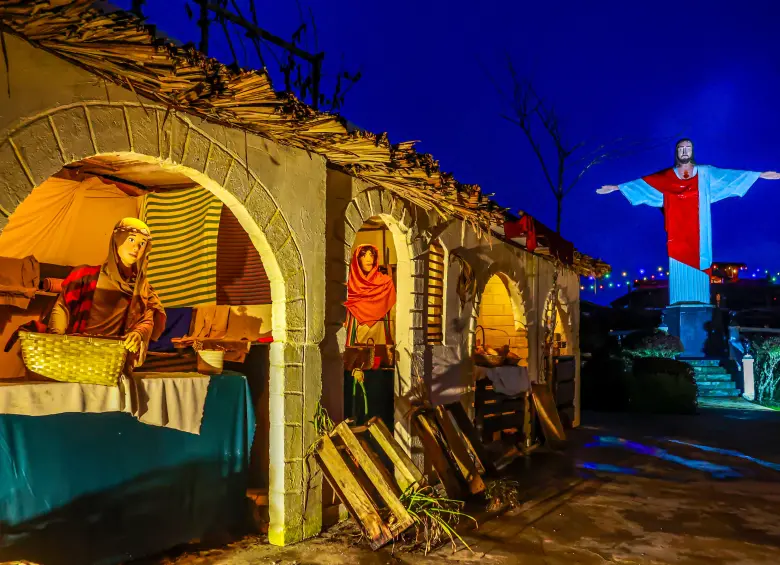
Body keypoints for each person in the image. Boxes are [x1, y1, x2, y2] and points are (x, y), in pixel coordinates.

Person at [597, 139, 780, 304]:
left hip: (700, 234)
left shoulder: (706, 174)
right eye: (680, 148)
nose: (684, 151)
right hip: (678, 235)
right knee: (679, 271)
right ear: (676, 152)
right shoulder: (668, 176)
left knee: (700, 269)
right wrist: (617, 188)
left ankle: (700, 303)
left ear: (692, 151)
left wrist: (759, 175)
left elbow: (729, 177)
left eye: (688, 148)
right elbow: (645, 184)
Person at [48, 217, 166, 367]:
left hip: (113, 360)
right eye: (131, 240)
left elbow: (147, 320)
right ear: (117, 239)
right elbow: (63, 306)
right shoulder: (85, 276)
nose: (136, 248)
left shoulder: (142, 288)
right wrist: (57, 340)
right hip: (78, 354)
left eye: (142, 243)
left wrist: (137, 334)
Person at [343, 244, 396, 346]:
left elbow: (393, 312)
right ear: (357, 260)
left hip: (381, 335)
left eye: (371, 255)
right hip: (356, 336)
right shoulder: (349, 285)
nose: (369, 259)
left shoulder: (385, 282)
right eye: (364, 255)